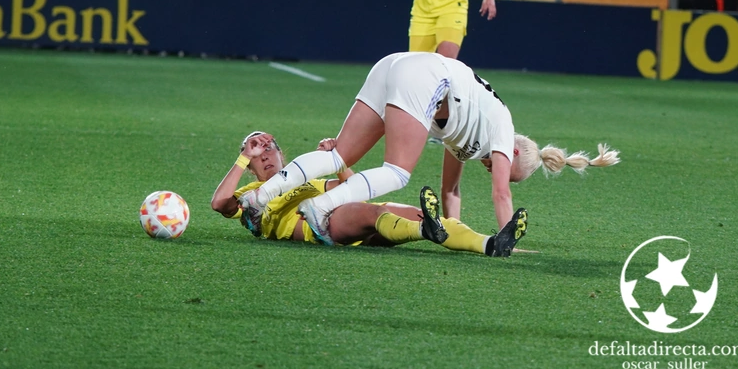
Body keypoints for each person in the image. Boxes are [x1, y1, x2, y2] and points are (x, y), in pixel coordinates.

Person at [237, 51, 619, 246]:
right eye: (498, 164)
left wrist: (459, 232)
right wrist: (507, 239)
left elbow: (451, 191)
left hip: (393, 65)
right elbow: (501, 193)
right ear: (514, 153)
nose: (493, 167)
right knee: (398, 172)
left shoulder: (469, 142)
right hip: (426, 78)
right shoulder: (504, 128)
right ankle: (319, 210)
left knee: (339, 155)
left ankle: (261, 198)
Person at [212, 132, 525, 255]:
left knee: (415, 215)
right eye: (256, 154)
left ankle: (491, 244)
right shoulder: (252, 194)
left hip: (342, 220)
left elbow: (350, 189)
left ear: (283, 155)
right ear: (251, 168)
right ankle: (424, 229)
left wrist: (339, 162)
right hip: (316, 229)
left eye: (268, 148)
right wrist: (241, 158)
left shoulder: (308, 182)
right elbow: (219, 204)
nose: (264, 155)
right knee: (378, 214)